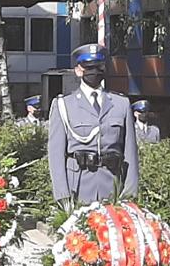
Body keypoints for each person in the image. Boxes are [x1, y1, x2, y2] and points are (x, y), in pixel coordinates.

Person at [47, 43, 139, 205]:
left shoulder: (121, 104)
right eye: (88, 67)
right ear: (78, 70)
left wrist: (129, 193)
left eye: (98, 67)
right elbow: (55, 155)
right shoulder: (63, 105)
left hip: (112, 188)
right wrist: (63, 196)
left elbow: (130, 152)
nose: (94, 72)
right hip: (78, 187)